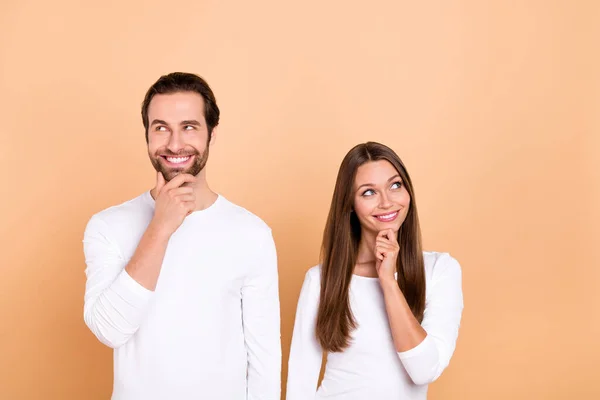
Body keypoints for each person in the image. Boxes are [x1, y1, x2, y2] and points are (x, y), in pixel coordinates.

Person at [82, 72, 281, 400]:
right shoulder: (107, 226)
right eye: (161, 128)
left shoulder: (252, 234)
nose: (174, 144)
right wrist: (160, 227)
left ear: (211, 134)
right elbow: (110, 330)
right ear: (146, 134)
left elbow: (264, 360)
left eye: (189, 127)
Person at [286, 141, 463, 400]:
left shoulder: (440, 270)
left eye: (395, 185)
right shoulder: (321, 280)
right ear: (350, 204)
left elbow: (424, 370)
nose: (387, 202)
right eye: (369, 192)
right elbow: (300, 382)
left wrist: (388, 282)